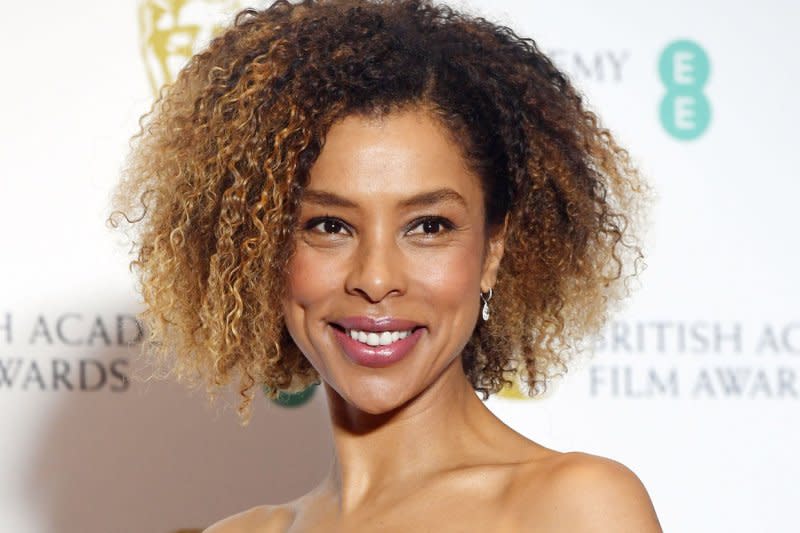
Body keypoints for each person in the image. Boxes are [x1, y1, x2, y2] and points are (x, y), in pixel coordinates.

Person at [110, 0, 661, 530]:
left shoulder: (573, 508)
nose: (375, 279)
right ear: (260, 253)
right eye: (329, 225)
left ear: (493, 253)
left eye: (428, 227)